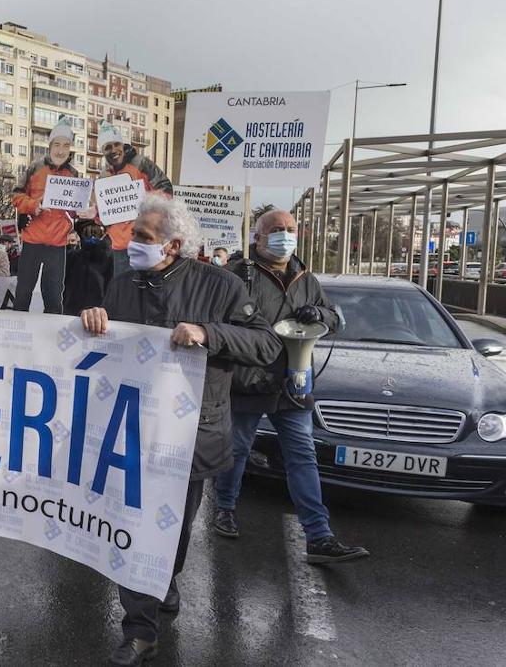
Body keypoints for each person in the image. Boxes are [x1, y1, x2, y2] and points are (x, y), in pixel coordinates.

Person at [80, 194, 280, 666]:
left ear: (172, 246)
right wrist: (95, 320)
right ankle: (140, 631)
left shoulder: (222, 287)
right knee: (138, 528)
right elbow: (108, 348)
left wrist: (209, 334)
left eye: (143, 238)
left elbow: (267, 345)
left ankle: (165, 578)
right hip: (131, 433)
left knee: (175, 532)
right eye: (132, 235)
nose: (131, 244)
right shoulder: (122, 284)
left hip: (192, 434)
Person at [213, 209, 368, 563]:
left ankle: (319, 535)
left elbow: (332, 316)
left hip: (293, 381)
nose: (284, 234)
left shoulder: (305, 278)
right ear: (258, 237)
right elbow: (218, 319)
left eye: (290, 229)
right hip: (249, 380)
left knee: (302, 457)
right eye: (276, 230)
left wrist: (321, 316)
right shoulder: (240, 273)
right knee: (236, 450)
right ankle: (225, 506)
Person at [12, 118, 78, 313]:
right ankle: (16, 334)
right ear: (50, 146)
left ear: (70, 148)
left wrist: (80, 212)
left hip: (58, 245)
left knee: (53, 296)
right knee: (23, 293)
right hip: (33, 241)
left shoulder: (74, 174)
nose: (61, 150)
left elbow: (74, 209)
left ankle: (53, 338)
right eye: (57, 144)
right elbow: (16, 195)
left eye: (66, 145)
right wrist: (33, 206)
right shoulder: (35, 167)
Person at [98, 121, 173, 276]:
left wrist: (145, 204)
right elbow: (105, 213)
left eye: (116, 144)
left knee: (147, 288)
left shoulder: (141, 163)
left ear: (123, 144)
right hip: (119, 246)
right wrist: (95, 213)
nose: (113, 150)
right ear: (103, 152)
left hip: (144, 240)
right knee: (124, 291)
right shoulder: (104, 174)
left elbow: (166, 190)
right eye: (107, 147)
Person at [63, 220, 113, 314]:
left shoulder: (111, 259)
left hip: (100, 315)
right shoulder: (72, 257)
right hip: (72, 314)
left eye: (96, 232)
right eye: (87, 232)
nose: (91, 236)